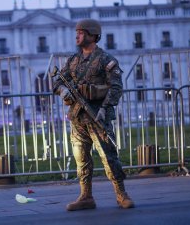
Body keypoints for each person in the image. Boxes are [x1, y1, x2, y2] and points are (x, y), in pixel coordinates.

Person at [53, 19, 134, 210]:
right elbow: (57, 82)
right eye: (77, 32)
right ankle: (86, 196)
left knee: (109, 156)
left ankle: (121, 194)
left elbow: (116, 88)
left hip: (98, 117)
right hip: (77, 117)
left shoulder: (106, 60)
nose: (77, 36)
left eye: (81, 32)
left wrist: (105, 109)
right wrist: (63, 91)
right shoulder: (73, 60)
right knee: (81, 158)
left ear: (92, 35)